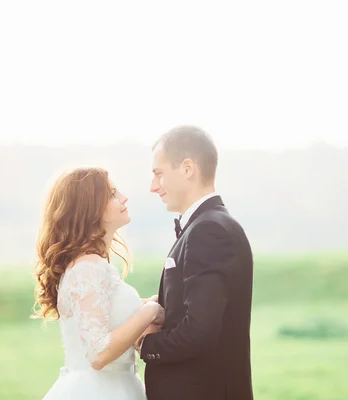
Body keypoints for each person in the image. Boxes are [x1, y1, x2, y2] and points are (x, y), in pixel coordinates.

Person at [137, 125, 254, 400]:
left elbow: (200, 331)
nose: (153, 186)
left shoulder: (208, 231)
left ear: (188, 168)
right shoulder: (210, 225)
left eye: (159, 173)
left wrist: (144, 343)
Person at [33, 167, 163, 400]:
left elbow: (111, 330)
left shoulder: (94, 265)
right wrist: (150, 311)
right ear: (89, 208)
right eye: (112, 194)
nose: (124, 197)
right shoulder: (86, 268)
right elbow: (98, 353)